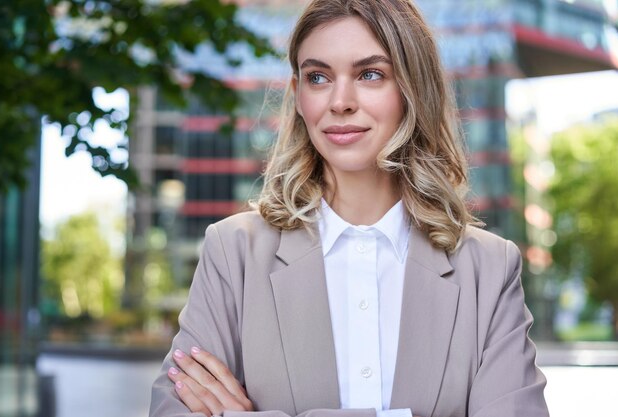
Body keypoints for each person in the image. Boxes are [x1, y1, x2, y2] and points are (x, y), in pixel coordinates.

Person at [149, 1, 549, 416]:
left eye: (370, 74)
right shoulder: (233, 252)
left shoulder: (489, 267)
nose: (340, 101)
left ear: (414, 88)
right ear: (299, 96)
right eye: (318, 77)